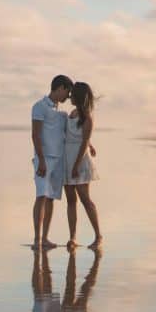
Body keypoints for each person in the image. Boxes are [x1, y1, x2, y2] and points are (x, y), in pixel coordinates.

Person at [31, 75, 73, 250]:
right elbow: (36, 135)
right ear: (60, 88)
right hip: (44, 159)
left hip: (59, 160)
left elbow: (69, 133)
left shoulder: (61, 113)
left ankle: (45, 238)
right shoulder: (39, 106)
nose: (68, 97)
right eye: (67, 92)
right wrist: (40, 160)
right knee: (41, 196)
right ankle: (37, 239)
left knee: (50, 199)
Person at [64, 82, 102, 250]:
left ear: (79, 97)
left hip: (79, 160)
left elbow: (84, 140)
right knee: (71, 200)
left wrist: (76, 165)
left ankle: (98, 236)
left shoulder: (88, 117)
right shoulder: (71, 113)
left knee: (85, 199)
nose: (70, 97)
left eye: (72, 94)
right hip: (67, 157)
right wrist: (91, 145)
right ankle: (72, 237)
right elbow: (81, 137)